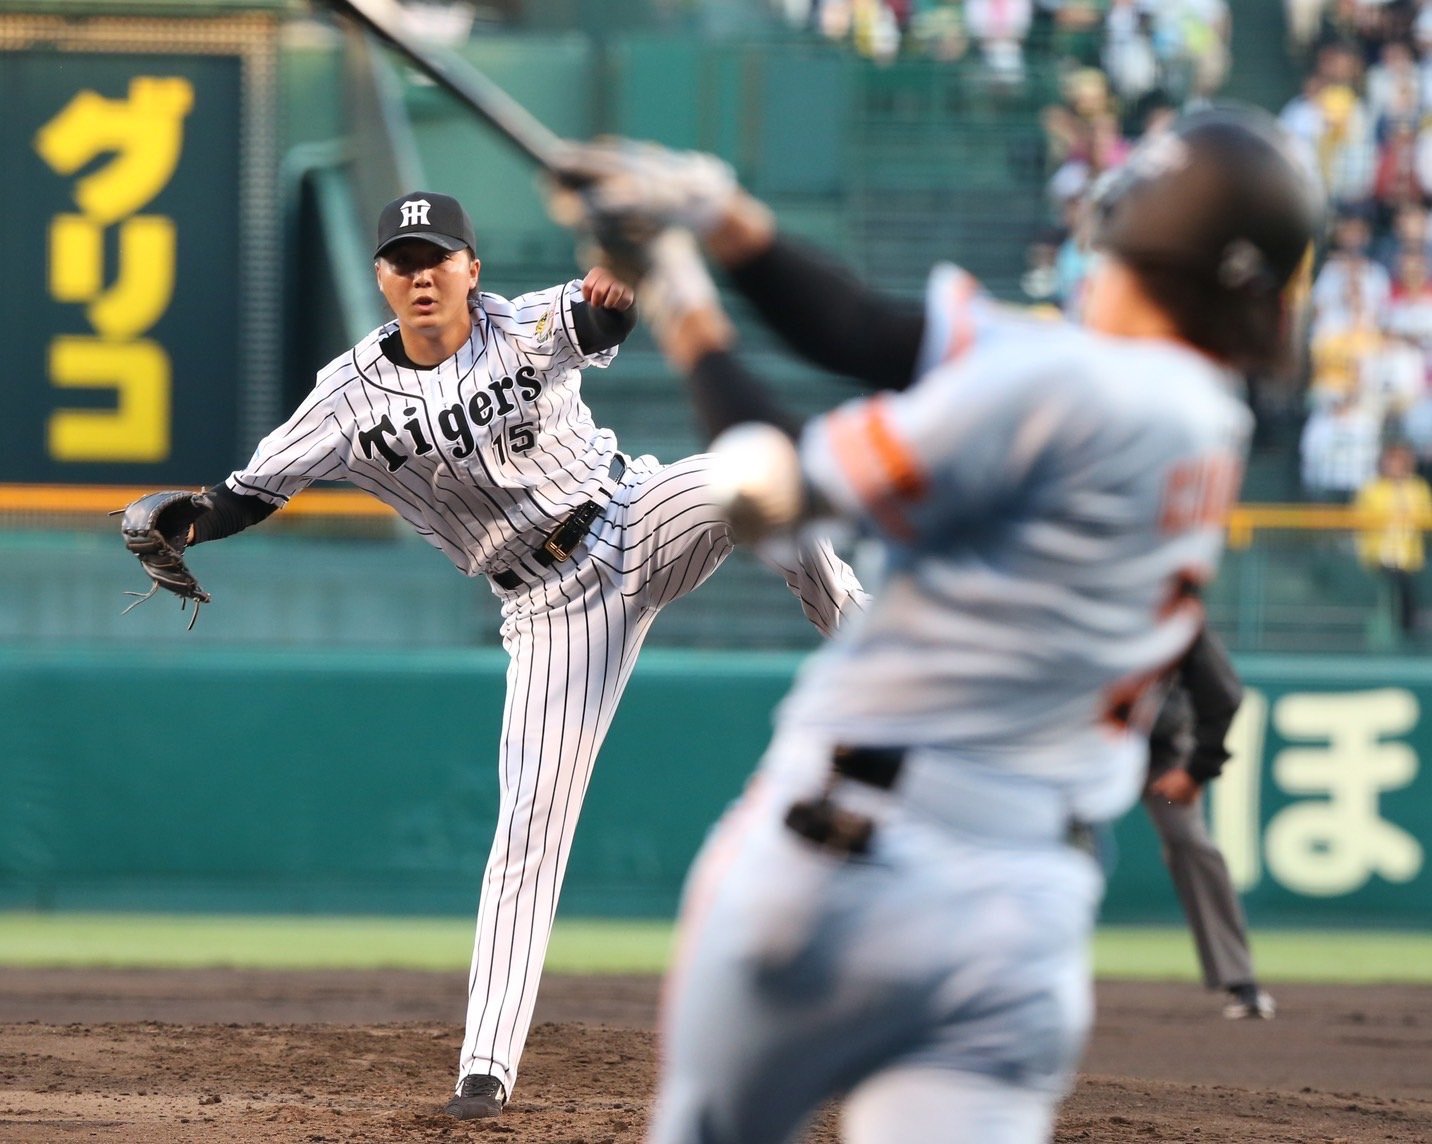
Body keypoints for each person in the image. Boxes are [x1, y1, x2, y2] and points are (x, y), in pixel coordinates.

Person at [551, 105, 1322, 1143]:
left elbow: (772, 489)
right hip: (1019, 917)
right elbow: (864, 332)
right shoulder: (1192, 412)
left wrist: (683, 294)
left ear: (1141, 225)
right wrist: (723, 217)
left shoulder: (1070, 381)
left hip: (836, 869)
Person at [119, 190, 867, 1120]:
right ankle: (486, 1071)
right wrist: (187, 520)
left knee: (754, 478)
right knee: (528, 829)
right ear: (383, 278)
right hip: (549, 609)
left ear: (472, 268)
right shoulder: (346, 393)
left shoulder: (524, 323)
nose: (421, 273)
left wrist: (614, 290)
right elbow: (249, 491)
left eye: (438, 255)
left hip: (632, 516)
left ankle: (874, 645)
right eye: (403, 259)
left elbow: (595, 315)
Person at [1144, 627, 1275, 1021]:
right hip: (1086, 753)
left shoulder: (1173, 616)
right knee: (1050, 842)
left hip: (1161, 761)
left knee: (1188, 841)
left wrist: (1195, 772)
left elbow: (1223, 696)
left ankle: (1241, 981)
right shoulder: (1071, 599)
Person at [1354, 439, 1432, 638]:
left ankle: (1413, 625)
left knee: (1408, 577)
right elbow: (1360, 519)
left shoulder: (1418, 487)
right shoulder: (1372, 489)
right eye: (1391, 460)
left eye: (1399, 460)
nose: (1394, 465)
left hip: (1410, 555)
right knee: (1396, 578)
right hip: (1379, 555)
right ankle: (1406, 627)